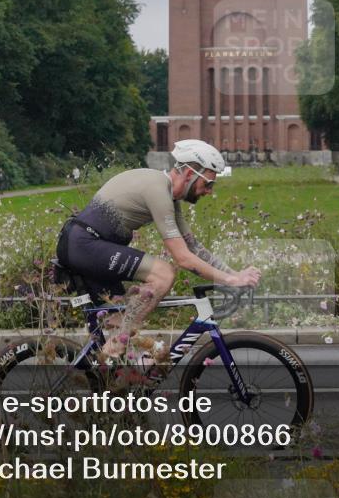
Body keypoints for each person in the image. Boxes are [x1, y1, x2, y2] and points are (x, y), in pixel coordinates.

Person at [56, 139, 260, 364]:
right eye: (208, 183)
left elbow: (193, 247)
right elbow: (183, 258)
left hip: (86, 245)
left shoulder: (168, 196)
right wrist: (229, 281)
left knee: (120, 316)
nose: (209, 192)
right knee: (164, 273)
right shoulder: (157, 189)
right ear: (190, 174)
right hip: (84, 244)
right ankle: (112, 352)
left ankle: (109, 378)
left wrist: (235, 274)